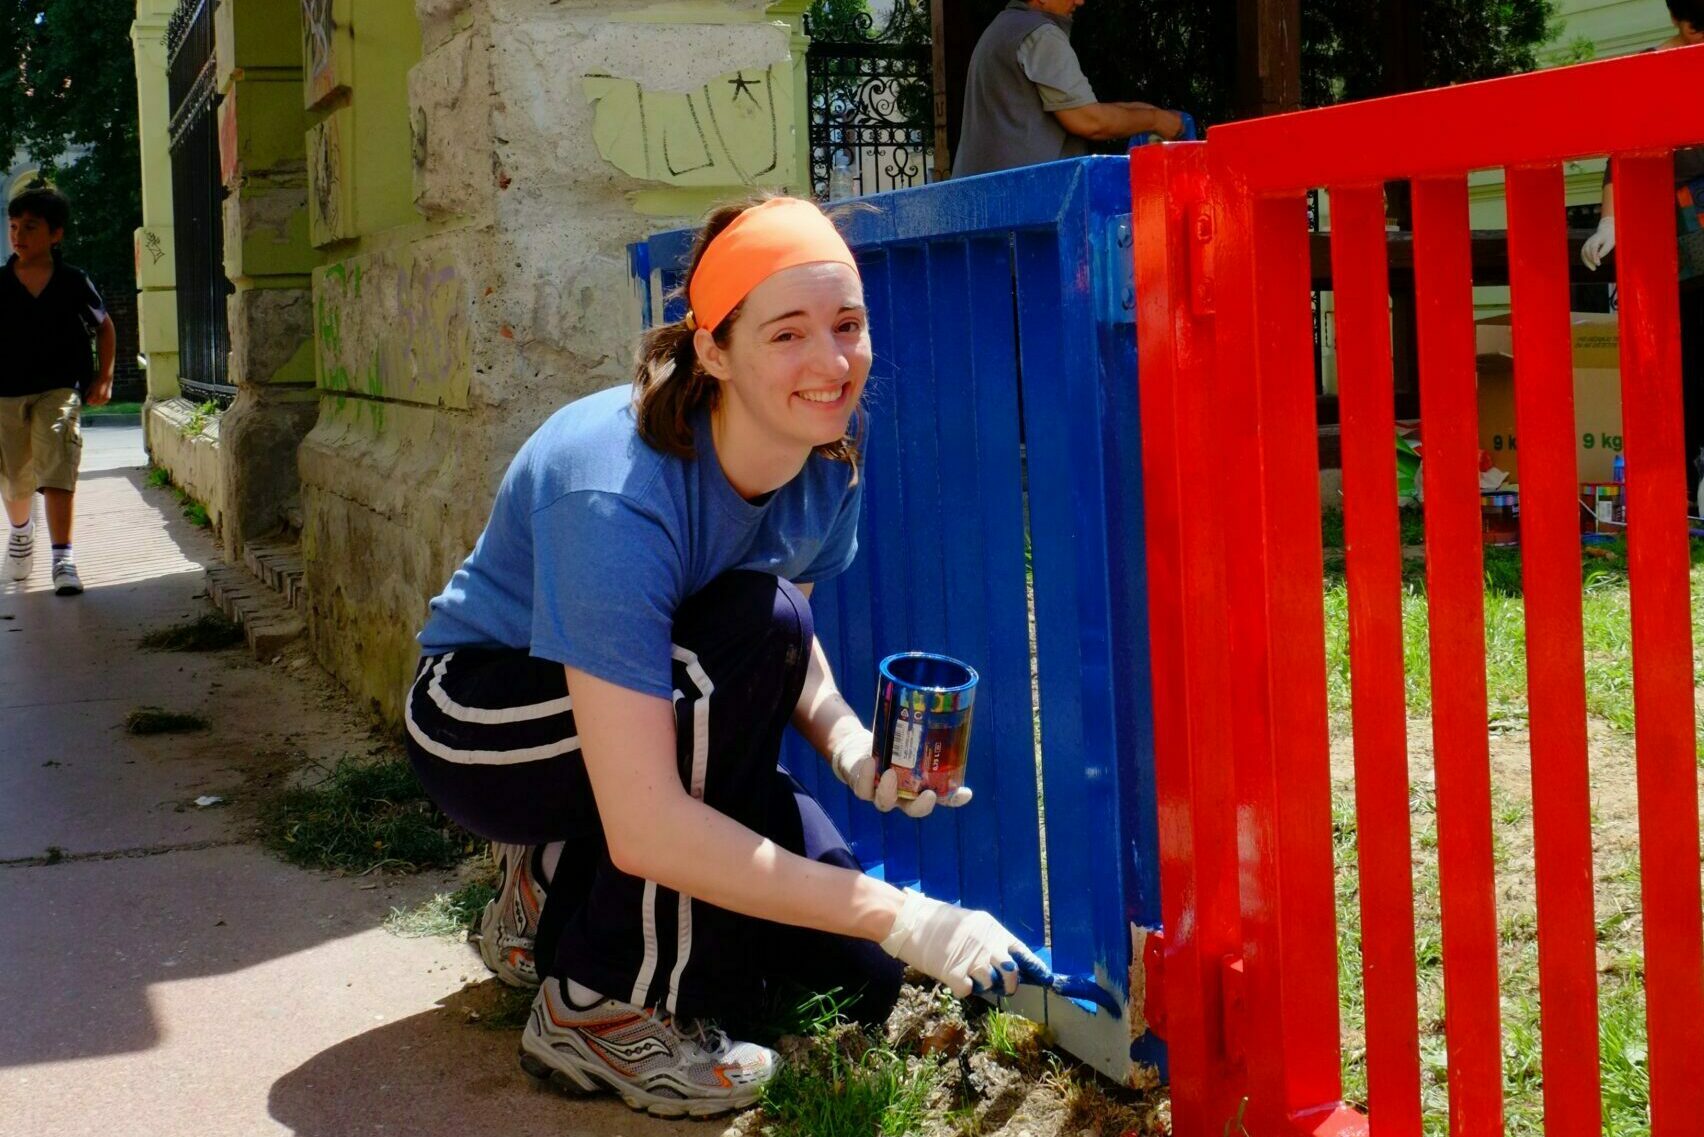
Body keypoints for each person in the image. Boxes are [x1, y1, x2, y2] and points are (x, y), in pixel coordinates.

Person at [404, 196, 1032, 1118]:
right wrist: (906, 913)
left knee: (855, 974)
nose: (832, 364)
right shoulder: (616, 489)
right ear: (714, 350)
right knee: (789, 884)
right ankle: (598, 1007)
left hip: (651, 707)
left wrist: (851, 748)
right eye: (788, 334)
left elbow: (784, 647)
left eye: (847, 325)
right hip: (483, 720)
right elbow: (653, 817)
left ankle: (550, 889)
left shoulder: (826, 461)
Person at [1580, 2, 1704, 473]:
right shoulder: (1651, 68)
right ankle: (1681, 471)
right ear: (1676, 18)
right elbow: (1622, 156)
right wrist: (1610, 222)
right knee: (1680, 355)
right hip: (1673, 225)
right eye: (1693, 26)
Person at [1, 186, 115, 595]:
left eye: (30, 227)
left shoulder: (73, 281)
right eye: (14, 226)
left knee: (57, 467)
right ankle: (21, 531)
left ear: (55, 234)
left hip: (60, 387)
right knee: (15, 477)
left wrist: (104, 377)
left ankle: (63, 558)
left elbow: (104, 327)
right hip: (6, 391)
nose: (19, 235)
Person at [952, 0, 1187, 178]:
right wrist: (1155, 120)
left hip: (983, 202)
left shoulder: (1001, 29)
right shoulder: (1041, 34)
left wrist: (1143, 112)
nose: (1079, 1)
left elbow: (1080, 107)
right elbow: (1088, 121)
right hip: (1023, 206)